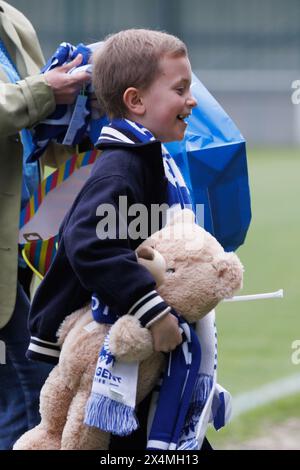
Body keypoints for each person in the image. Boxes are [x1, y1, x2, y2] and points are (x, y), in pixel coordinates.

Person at [25, 28, 213, 449]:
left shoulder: (148, 157)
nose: (192, 100)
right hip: (108, 351)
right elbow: (89, 242)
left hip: (131, 345)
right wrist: (155, 312)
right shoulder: (122, 166)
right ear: (136, 101)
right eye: (180, 89)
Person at [0, 0, 90, 450]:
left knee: (19, 389)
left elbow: (38, 123)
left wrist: (81, 102)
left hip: (18, 234)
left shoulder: (12, 19)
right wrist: (45, 91)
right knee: (28, 388)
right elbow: (34, 96)